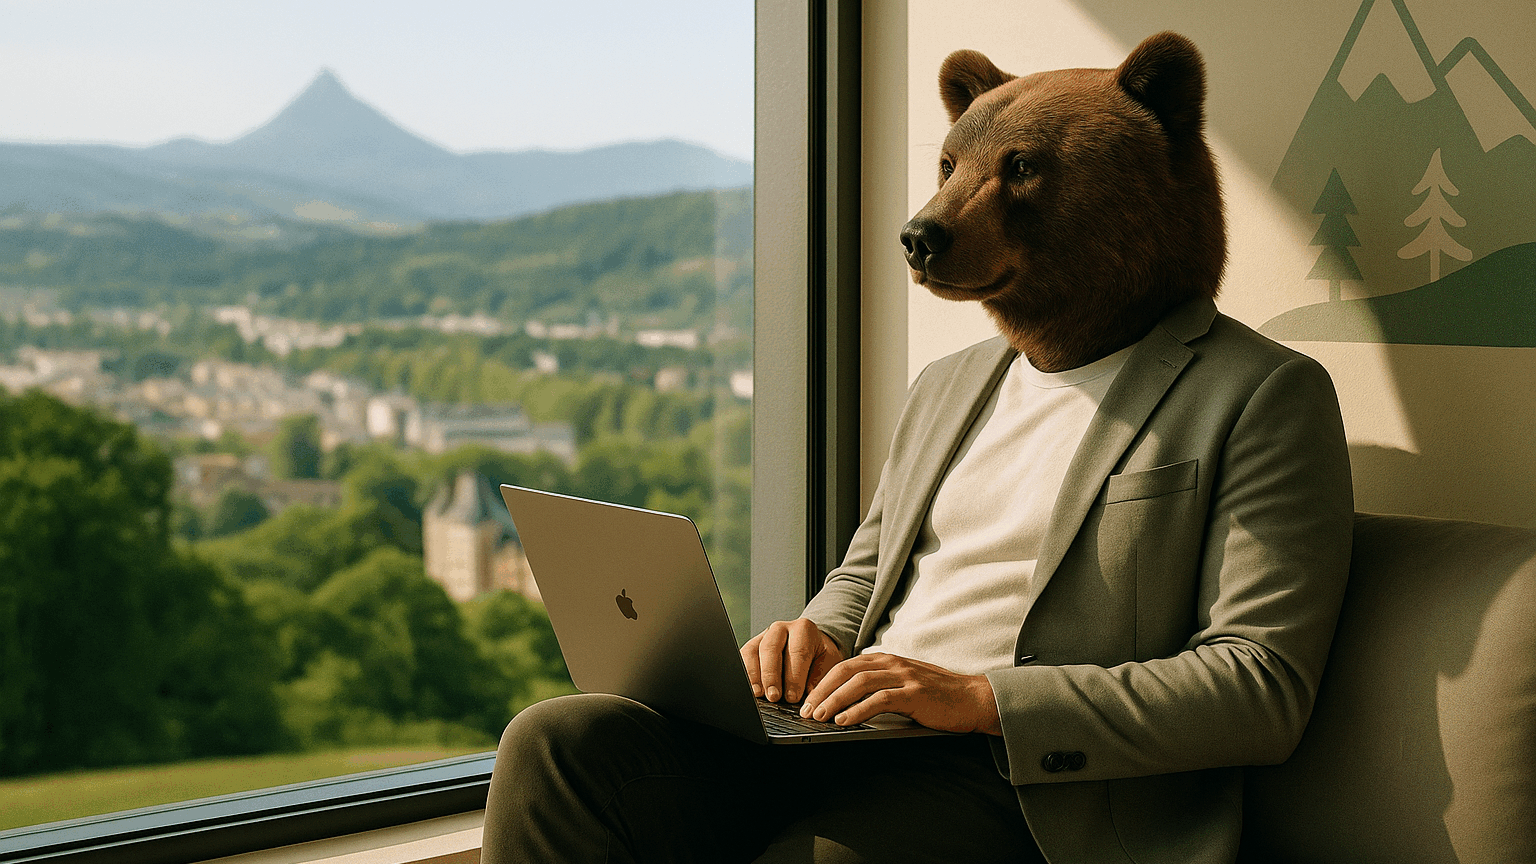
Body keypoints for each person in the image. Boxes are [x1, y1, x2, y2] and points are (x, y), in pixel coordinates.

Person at [482, 32, 1354, 864]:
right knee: (559, 743)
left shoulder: (1260, 394)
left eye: (1020, 173)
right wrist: (811, 639)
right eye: (953, 171)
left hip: (1027, 789)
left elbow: (1259, 684)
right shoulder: (949, 384)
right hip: (845, 737)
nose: (938, 214)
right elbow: (868, 575)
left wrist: (981, 701)